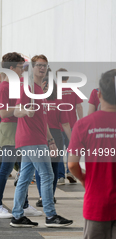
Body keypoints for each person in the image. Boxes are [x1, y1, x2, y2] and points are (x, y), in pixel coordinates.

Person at [10, 54, 73, 228]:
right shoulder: (27, 88)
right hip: (30, 139)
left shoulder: (40, 90)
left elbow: (42, 120)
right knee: (47, 175)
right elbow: (16, 111)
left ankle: (16, 215)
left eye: (44, 66)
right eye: (38, 65)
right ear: (32, 68)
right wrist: (26, 112)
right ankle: (51, 216)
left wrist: (51, 140)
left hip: (37, 138)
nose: (42, 68)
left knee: (24, 178)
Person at [0, 52, 41, 218]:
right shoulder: (4, 87)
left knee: (24, 169)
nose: (23, 70)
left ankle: (24, 204)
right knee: (6, 169)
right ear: (11, 69)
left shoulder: (16, 85)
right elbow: (3, 113)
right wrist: (22, 109)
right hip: (9, 129)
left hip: (19, 129)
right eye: (20, 67)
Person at [68, 69, 116, 239]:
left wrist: (83, 179)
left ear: (99, 94)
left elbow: (72, 164)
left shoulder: (83, 125)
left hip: (97, 203)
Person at [34, 77, 71, 207]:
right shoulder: (56, 101)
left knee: (44, 168)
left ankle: (44, 196)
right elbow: (65, 124)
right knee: (50, 168)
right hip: (52, 135)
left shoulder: (38, 100)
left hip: (45, 136)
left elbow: (66, 123)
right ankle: (48, 195)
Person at [56, 68, 83, 185]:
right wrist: (81, 121)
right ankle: (70, 172)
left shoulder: (54, 89)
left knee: (59, 151)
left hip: (57, 125)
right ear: (68, 77)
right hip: (71, 124)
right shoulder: (74, 88)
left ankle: (61, 176)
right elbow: (79, 106)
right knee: (71, 149)